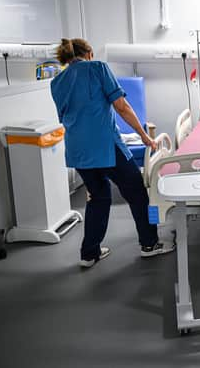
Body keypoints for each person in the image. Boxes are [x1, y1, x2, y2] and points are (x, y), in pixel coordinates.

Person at [50, 38, 175, 268]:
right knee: (137, 192)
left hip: (78, 150)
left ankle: (90, 253)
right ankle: (150, 244)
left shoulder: (57, 81)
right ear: (88, 53)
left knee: (98, 197)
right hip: (106, 146)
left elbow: (69, 116)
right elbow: (121, 106)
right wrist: (144, 135)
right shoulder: (98, 68)